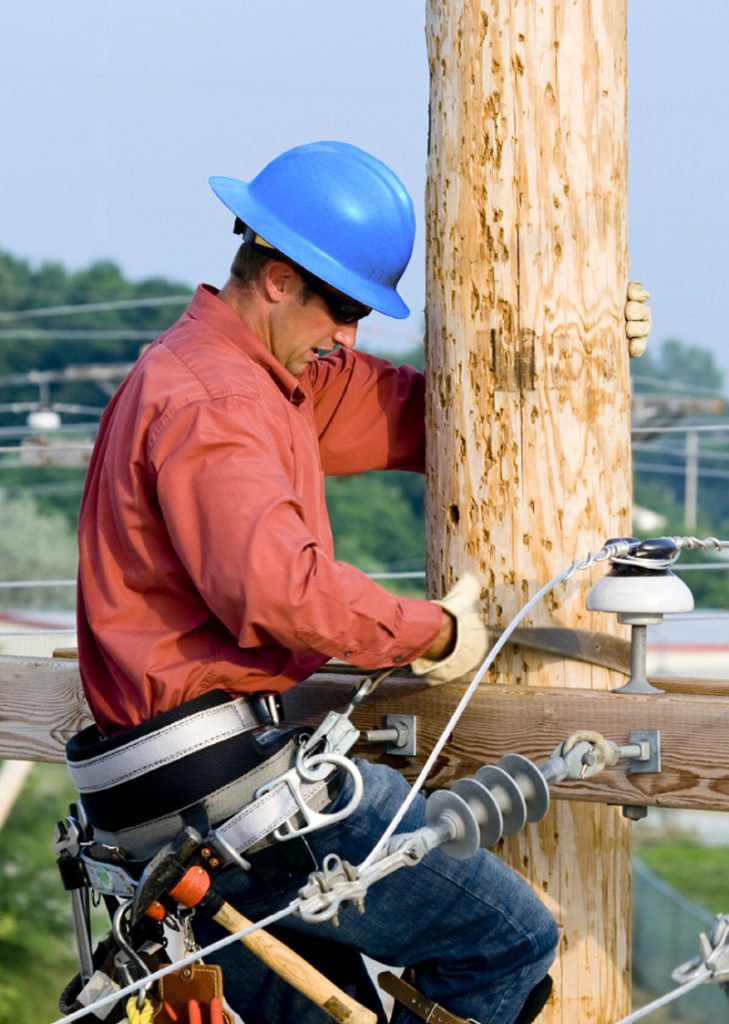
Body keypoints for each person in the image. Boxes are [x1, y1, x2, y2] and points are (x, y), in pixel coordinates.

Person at [73, 140, 561, 1024]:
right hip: (223, 789)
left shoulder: (250, 380)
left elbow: (431, 413)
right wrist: (435, 634)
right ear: (275, 276)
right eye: (339, 304)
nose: (348, 333)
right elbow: (279, 593)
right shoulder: (217, 404)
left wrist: (577, 339)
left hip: (174, 801)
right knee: (505, 945)